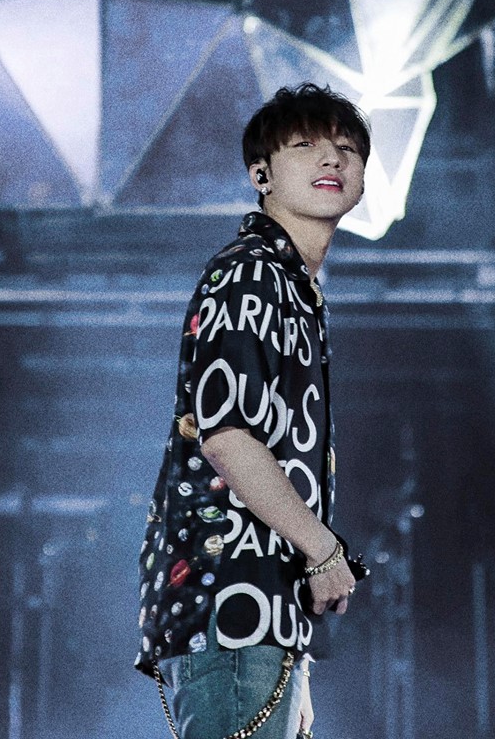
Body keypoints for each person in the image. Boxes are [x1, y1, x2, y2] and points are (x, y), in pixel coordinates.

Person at [135, 82, 371, 739]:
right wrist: (324, 552)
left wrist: (294, 652)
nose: (333, 159)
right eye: (307, 146)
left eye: (348, 149)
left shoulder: (292, 288)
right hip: (231, 608)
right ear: (260, 175)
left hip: (257, 620)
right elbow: (228, 436)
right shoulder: (252, 275)